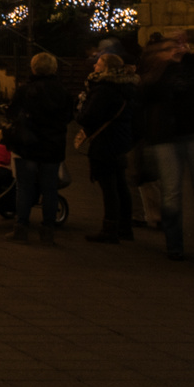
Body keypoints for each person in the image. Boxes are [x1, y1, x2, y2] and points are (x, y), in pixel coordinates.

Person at [136, 32, 194, 262]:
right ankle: (174, 245)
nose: (177, 49)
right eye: (170, 47)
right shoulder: (156, 72)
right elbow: (145, 92)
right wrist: (164, 64)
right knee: (171, 193)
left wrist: (193, 46)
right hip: (166, 138)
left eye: (180, 45)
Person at [3, 51, 75, 245]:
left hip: (27, 145)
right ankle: (48, 230)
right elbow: (69, 117)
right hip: (52, 146)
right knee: (50, 188)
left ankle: (21, 227)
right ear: (54, 68)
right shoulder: (63, 92)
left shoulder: (25, 91)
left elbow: (12, 114)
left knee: (24, 187)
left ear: (33, 68)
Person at [75, 50, 136, 244]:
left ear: (107, 68)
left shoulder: (104, 89)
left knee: (109, 186)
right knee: (120, 184)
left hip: (105, 142)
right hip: (120, 140)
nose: (95, 66)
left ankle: (110, 228)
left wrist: (81, 107)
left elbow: (89, 116)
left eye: (99, 63)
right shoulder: (126, 87)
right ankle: (125, 227)